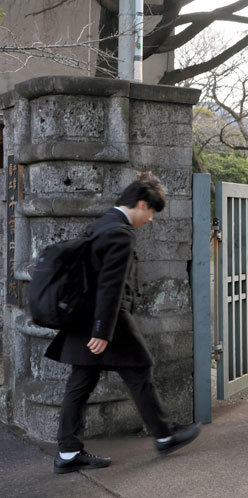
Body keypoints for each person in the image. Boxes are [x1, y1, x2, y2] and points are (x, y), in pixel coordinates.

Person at [45, 175, 201, 474]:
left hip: (84, 318)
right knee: (139, 369)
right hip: (105, 320)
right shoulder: (120, 233)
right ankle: (165, 435)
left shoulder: (103, 223)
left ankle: (67, 453)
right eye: (152, 212)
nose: (151, 219)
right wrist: (102, 331)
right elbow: (110, 286)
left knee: (81, 382)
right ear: (142, 204)